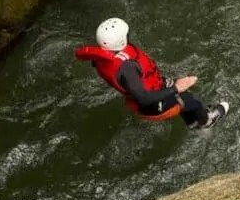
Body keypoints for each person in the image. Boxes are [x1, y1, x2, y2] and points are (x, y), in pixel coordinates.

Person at [74, 18, 229, 130]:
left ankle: (192, 122)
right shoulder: (126, 67)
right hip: (151, 106)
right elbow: (143, 98)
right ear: (122, 40)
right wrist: (175, 88)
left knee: (183, 95)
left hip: (141, 96)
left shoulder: (103, 58)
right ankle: (206, 122)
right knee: (192, 99)